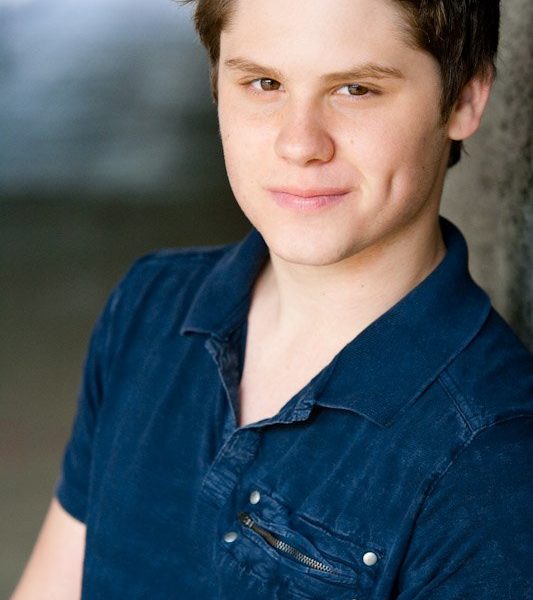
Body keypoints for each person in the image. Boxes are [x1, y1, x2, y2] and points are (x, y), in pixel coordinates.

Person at [11, 0, 533, 598]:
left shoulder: (494, 459)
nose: (299, 143)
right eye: (264, 83)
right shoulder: (150, 304)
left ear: (464, 99)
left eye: (356, 89)